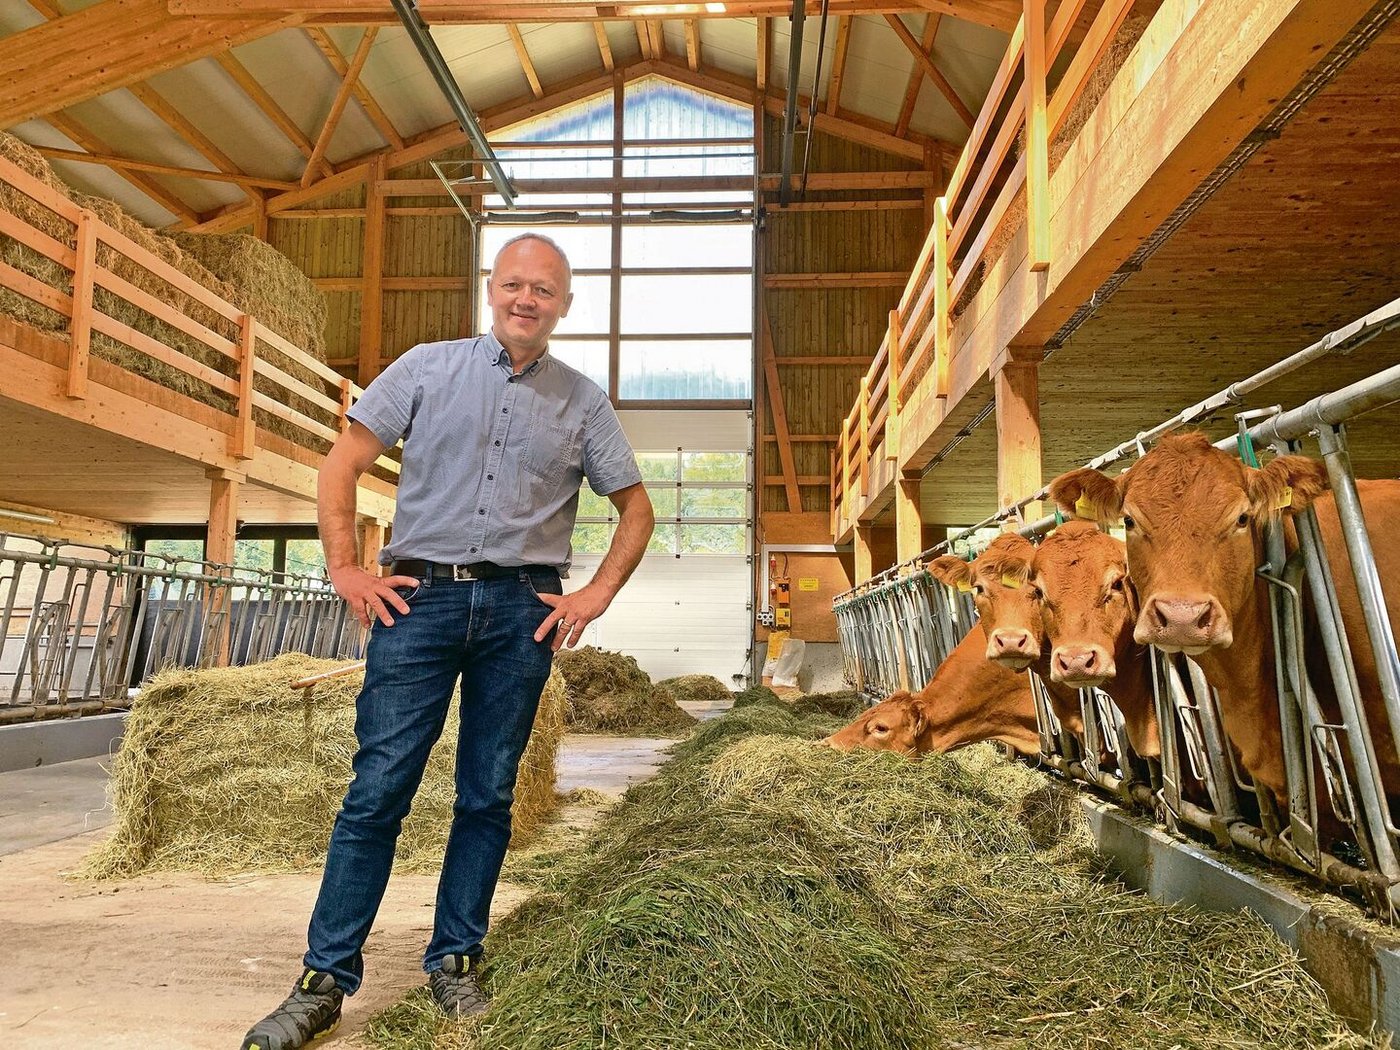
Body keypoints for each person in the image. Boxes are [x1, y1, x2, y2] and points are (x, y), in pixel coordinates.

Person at [242, 234, 653, 1050]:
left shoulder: (583, 401)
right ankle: (324, 979)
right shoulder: (426, 367)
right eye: (513, 285)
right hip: (417, 602)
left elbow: (636, 510)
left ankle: (455, 958)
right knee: (379, 786)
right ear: (491, 290)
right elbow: (341, 465)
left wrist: (595, 594)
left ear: (565, 304)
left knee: (488, 793)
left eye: (544, 290)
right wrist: (347, 569)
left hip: (519, 614)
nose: (526, 299)